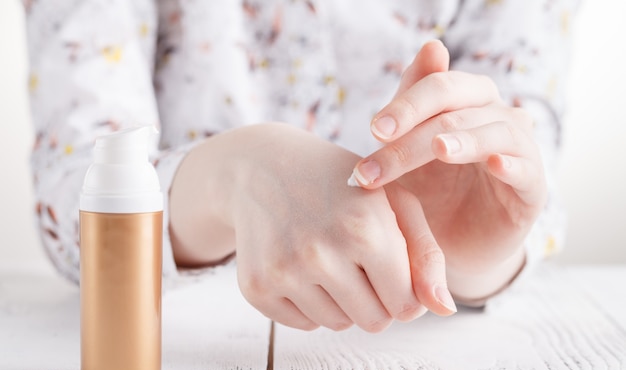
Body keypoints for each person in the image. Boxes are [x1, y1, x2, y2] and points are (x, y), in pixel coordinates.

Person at [22, 0, 578, 332]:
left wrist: (466, 256)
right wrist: (228, 178)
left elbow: (524, 149)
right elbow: (74, 192)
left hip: (423, 353)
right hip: (177, 343)